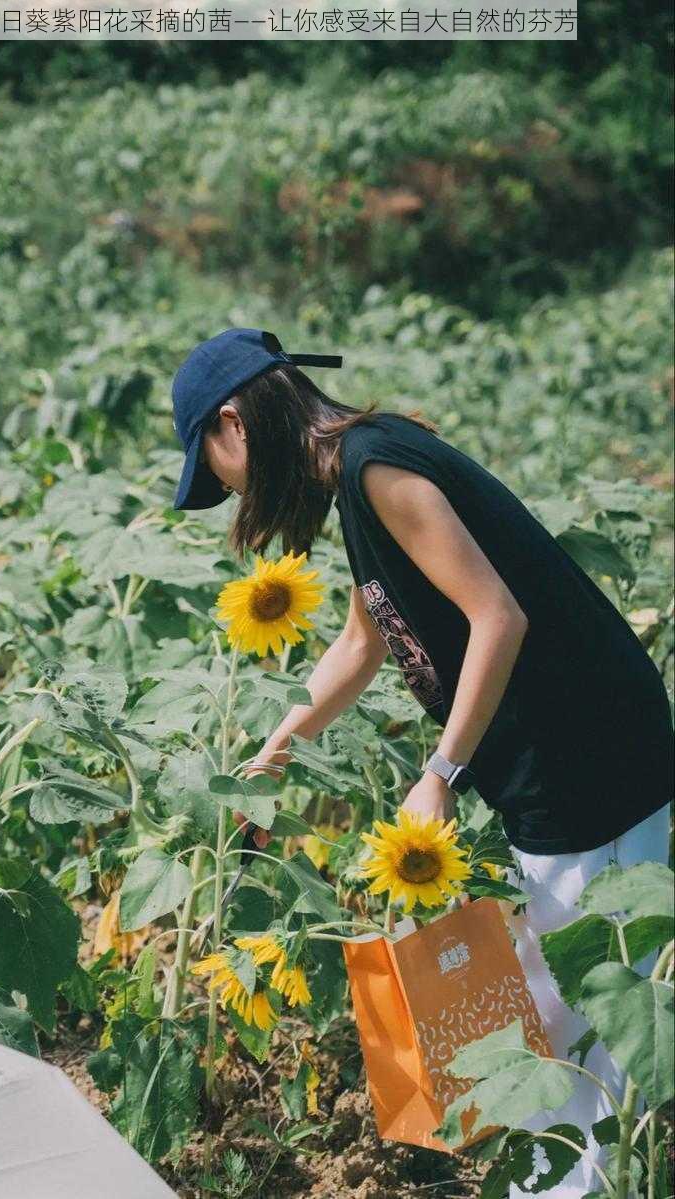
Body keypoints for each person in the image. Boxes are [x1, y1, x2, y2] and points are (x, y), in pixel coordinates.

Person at [170, 328, 674, 1195]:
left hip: (587, 753)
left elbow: (496, 616)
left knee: (591, 1005)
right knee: (577, 988)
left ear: (233, 422)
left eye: (213, 463)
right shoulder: (363, 470)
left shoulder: (376, 470)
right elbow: (367, 635)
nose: (227, 485)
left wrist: (439, 770)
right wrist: (280, 743)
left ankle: (585, 1179)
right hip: (568, 745)